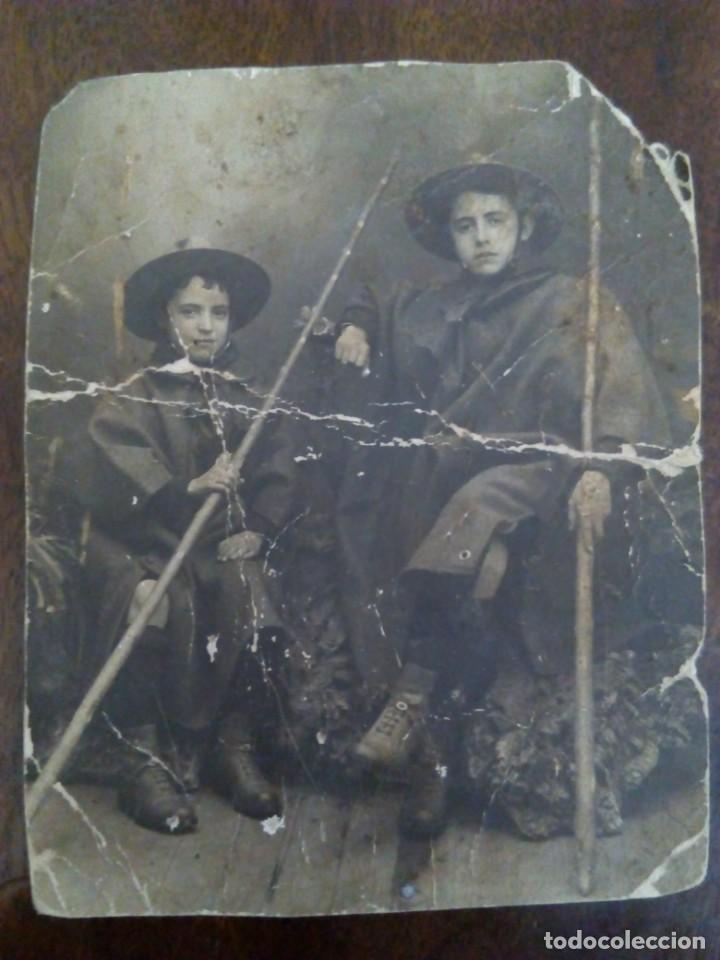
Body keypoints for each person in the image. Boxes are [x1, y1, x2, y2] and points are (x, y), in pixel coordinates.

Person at [331, 162, 671, 836]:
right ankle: (438, 751)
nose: (481, 238)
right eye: (465, 226)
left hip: (543, 472)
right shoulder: (434, 304)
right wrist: (355, 323)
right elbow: (378, 296)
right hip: (452, 480)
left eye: (495, 221)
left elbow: (622, 393)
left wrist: (602, 469)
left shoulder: (571, 297)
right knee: (472, 566)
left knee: (479, 507)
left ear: (525, 227)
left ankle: (416, 691)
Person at [73, 243, 298, 834]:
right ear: (164, 318)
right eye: (190, 311)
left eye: (217, 313)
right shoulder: (134, 394)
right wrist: (189, 487)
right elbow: (111, 482)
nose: (204, 326)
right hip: (137, 544)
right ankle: (143, 758)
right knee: (150, 602)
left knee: (247, 592)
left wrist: (257, 529)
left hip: (210, 545)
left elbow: (280, 469)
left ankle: (232, 744)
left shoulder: (247, 395)